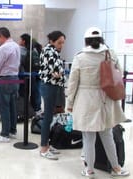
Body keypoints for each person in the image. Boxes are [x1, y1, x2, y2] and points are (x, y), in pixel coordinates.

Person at [66, 27, 130, 177]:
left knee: (88, 138)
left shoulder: (80, 57)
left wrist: (69, 103)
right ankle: (116, 168)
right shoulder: (110, 54)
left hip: (85, 99)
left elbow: (73, 82)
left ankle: (89, 170)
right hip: (105, 99)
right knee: (108, 135)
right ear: (102, 39)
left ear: (85, 40)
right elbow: (119, 73)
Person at [39, 30, 66, 159]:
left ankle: (47, 145)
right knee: (48, 117)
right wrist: (60, 71)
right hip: (49, 86)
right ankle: (44, 147)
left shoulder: (53, 51)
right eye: (59, 42)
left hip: (53, 86)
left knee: (50, 116)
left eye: (63, 43)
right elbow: (57, 72)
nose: (61, 45)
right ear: (52, 41)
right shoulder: (49, 51)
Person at [18, 34, 42, 116]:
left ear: (24, 41)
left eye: (20, 40)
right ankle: (36, 109)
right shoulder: (34, 49)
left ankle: (26, 111)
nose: (19, 41)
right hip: (35, 75)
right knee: (35, 93)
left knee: (24, 93)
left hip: (25, 75)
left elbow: (21, 64)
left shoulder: (22, 51)